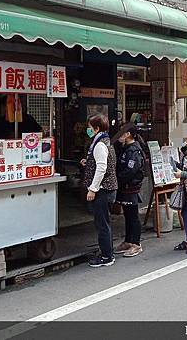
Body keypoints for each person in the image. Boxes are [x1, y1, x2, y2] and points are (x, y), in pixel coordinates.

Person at [82, 114, 118, 268]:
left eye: (89, 127)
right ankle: (107, 251)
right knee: (104, 222)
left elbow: (102, 167)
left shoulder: (99, 145)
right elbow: (100, 163)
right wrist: (88, 162)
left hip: (102, 189)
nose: (87, 130)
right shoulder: (105, 141)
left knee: (102, 223)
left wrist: (93, 189)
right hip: (107, 187)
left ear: (96, 128)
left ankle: (106, 256)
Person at [114, 125, 146, 258]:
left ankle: (136, 244)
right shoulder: (124, 148)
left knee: (133, 216)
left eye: (122, 133)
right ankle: (128, 241)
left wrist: (117, 180)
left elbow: (131, 171)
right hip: (124, 186)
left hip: (131, 187)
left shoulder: (134, 150)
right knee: (127, 215)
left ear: (128, 134)